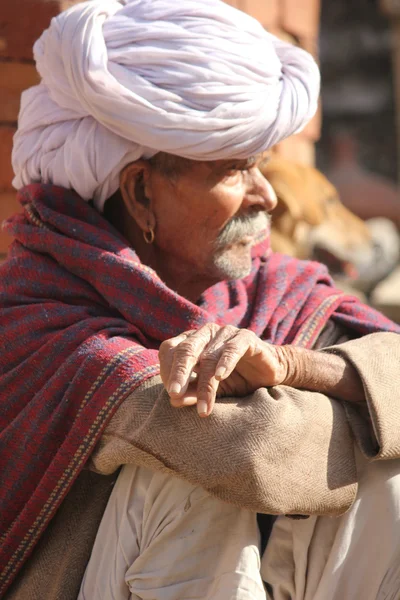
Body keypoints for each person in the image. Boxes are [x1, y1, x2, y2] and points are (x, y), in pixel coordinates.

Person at [1, 0, 399, 599]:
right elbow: (248, 451)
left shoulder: (271, 287)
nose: (268, 196)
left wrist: (296, 365)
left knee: (392, 479)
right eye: (238, 170)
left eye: (262, 166)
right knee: (194, 482)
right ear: (139, 193)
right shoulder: (47, 317)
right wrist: (365, 407)